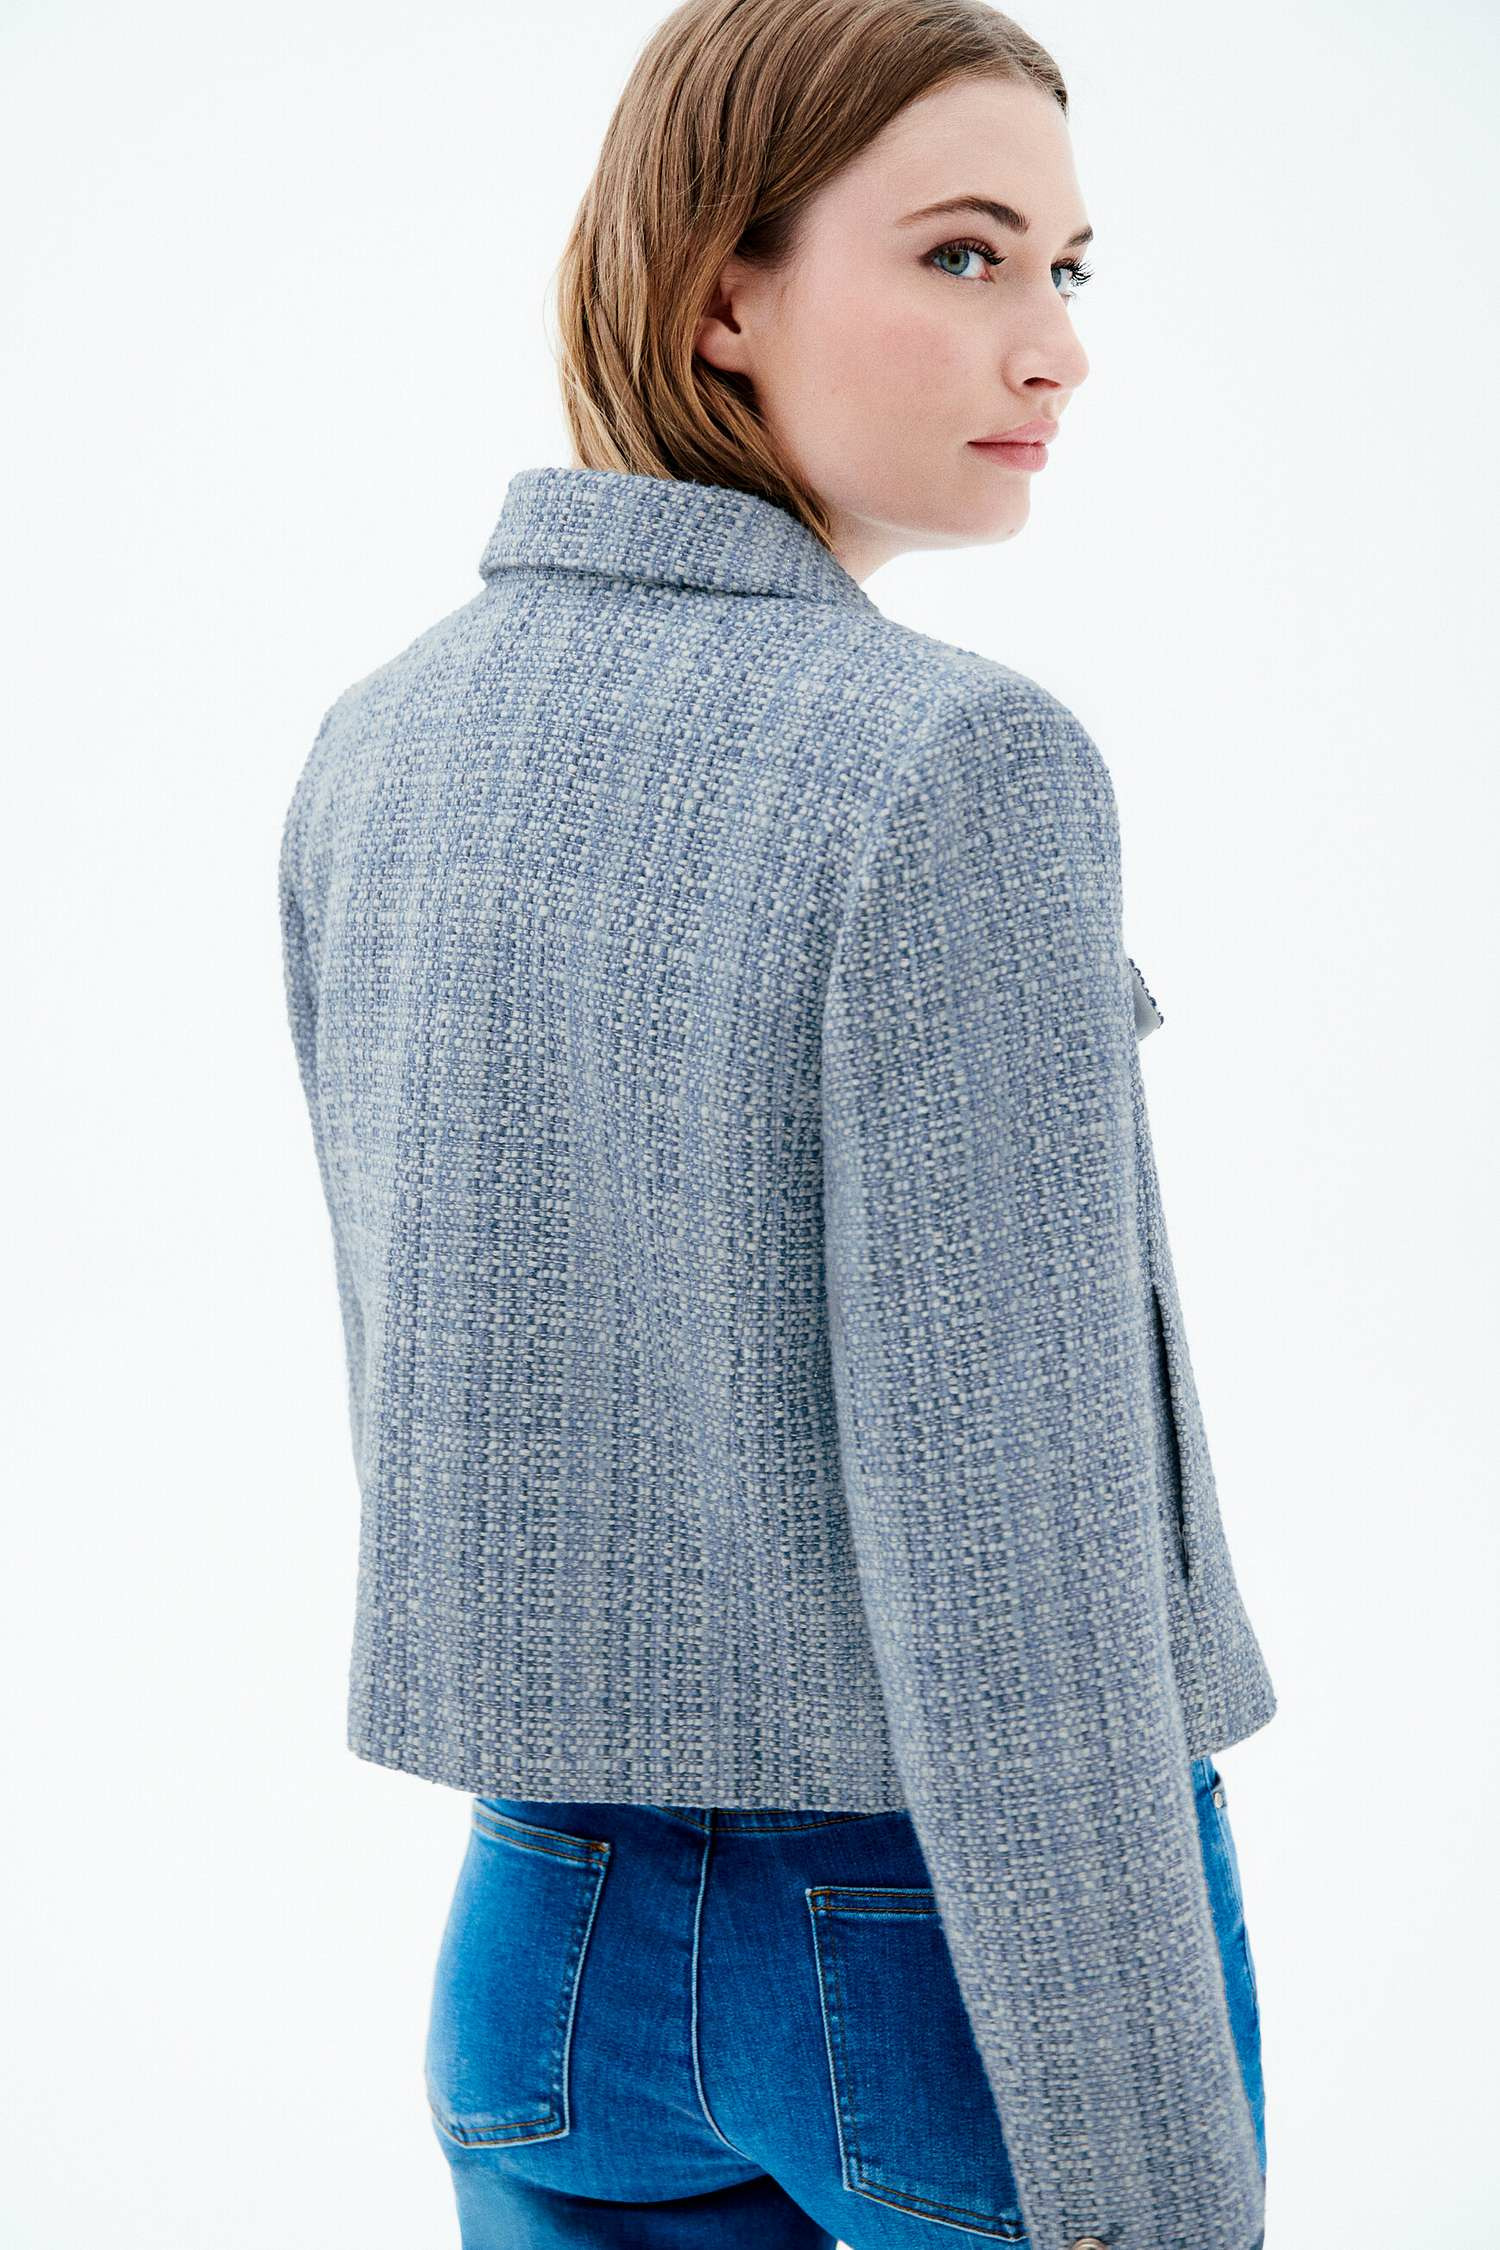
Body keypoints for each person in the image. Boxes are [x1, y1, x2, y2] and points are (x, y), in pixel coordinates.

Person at [276, 2, 1278, 2244]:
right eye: (963, 255)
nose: (1055, 346)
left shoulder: (381, 744)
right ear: (718, 291)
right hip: (955, 1950)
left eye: (1066, 268)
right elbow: (1019, 1553)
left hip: (539, 1938)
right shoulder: (952, 766)